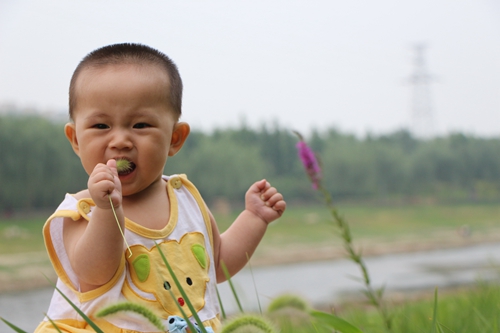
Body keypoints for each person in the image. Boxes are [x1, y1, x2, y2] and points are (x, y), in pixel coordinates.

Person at [35, 43, 286, 333]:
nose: (120, 141)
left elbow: (217, 264)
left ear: (175, 139)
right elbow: (94, 273)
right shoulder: (84, 211)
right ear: (75, 139)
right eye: (101, 126)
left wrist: (254, 218)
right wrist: (107, 210)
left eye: (140, 125)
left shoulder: (185, 197)